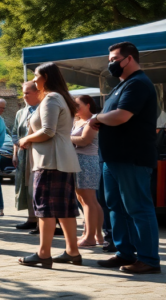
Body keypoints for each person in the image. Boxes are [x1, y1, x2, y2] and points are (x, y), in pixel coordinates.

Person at [89, 42, 161, 274]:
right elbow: (111, 118)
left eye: (113, 59)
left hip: (132, 158)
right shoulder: (121, 86)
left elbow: (121, 116)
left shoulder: (138, 84)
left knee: (138, 207)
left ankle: (149, 260)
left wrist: (97, 118)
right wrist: (101, 119)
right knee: (116, 208)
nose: (110, 63)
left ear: (128, 59)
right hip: (113, 158)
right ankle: (125, 253)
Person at [17, 62, 81, 269]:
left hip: (51, 161)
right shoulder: (59, 97)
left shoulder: (51, 98)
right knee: (64, 209)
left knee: (44, 209)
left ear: (46, 77)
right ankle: (72, 251)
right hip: (62, 160)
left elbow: (48, 131)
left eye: (36, 76)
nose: (34, 80)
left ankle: (44, 254)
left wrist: (26, 140)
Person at [72, 94, 104, 247]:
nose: (75, 108)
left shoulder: (94, 119)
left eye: (78, 105)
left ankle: (90, 237)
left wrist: (64, 137)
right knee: (85, 199)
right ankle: (96, 235)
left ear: (88, 105)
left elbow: (85, 140)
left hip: (87, 162)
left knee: (88, 200)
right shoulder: (78, 121)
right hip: (79, 162)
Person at [11, 82, 41, 232]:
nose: (24, 96)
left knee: (37, 186)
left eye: (27, 93)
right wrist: (16, 151)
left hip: (38, 153)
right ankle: (31, 218)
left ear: (37, 93)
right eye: (23, 93)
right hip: (23, 154)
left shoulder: (44, 109)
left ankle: (41, 221)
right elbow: (15, 132)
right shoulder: (21, 113)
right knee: (26, 186)